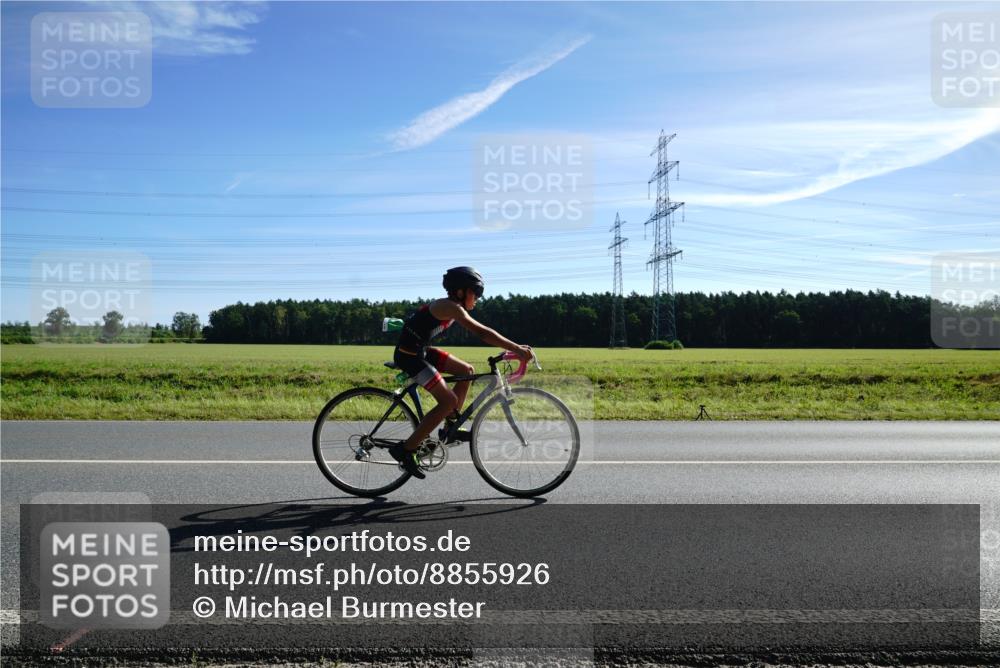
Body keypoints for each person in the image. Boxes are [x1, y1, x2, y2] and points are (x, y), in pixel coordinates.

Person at [389, 266, 532, 479]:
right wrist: (517, 349)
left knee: (466, 371)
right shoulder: (451, 308)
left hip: (421, 350)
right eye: (476, 293)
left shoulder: (452, 306)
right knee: (448, 402)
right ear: (460, 291)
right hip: (409, 355)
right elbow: (483, 333)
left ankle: (449, 428)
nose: (478, 298)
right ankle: (406, 450)